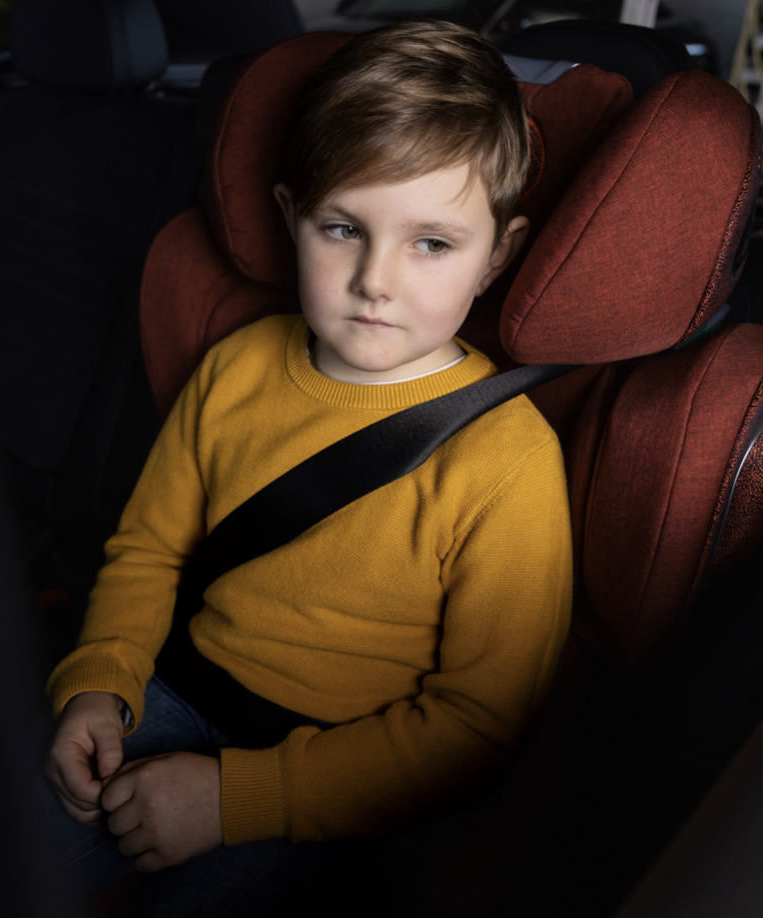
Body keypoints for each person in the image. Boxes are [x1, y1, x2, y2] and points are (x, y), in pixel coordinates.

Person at [38, 18, 573, 913]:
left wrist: (237, 800)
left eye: (431, 243)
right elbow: (149, 552)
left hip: (335, 775)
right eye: (342, 228)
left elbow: (476, 728)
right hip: (169, 694)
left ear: (498, 257)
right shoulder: (238, 367)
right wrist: (99, 681)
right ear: (292, 217)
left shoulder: (508, 461)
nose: (375, 279)